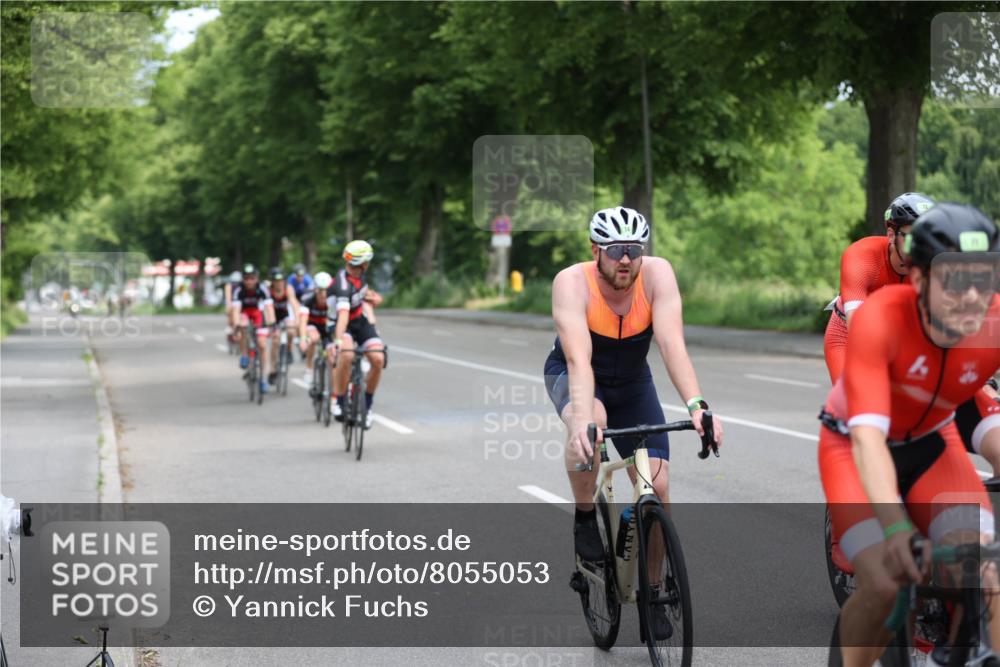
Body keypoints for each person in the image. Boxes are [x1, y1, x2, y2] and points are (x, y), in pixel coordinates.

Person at [819, 202, 1000, 666]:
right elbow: (868, 442)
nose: (971, 297)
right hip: (854, 446)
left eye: (982, 278)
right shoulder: (881, 319)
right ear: (919, 281)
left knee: (985, 568)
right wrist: (896, 526)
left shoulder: (992, 319)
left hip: (932, 441)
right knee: (883, 582)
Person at [543, 206, 723, 627]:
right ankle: (586, 515)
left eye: (634, 249)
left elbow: (671, 343)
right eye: (616, 249)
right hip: (578, 375)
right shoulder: (571, 282)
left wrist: (698, 406)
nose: (626, 259)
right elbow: (578, 359)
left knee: (658, 488)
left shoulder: (658, 275)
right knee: (589, 428)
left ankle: (655, 590)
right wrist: (584, 420)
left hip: (633, 381)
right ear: (596, 250)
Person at [824, 193, 935, 383]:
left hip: (903, 334)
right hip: (848, 335)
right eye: (914, 239)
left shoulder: (935, 266)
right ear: (891, 235)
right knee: (855, 400)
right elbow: (859, 329)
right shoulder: (862, 256)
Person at [329, 240, 385, 428]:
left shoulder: (359, 276)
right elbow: (343, 315)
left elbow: (362, 292)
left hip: (359, 321)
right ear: (363, 263)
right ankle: (340, 400)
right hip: (340, 324)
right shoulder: (342, 285)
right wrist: (338, 340)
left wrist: (373, 297)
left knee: (378, 359)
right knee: (346, 355)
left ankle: (367, 407)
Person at [228, 264, 275, 394]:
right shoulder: (239, 290)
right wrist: (236, 326)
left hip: (257, 313)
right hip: (244, 313)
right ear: (243, 279)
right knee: (243, 325)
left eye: (252, 278)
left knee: (262, 344)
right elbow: (236, 310)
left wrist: (272, 323)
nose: (249, 281)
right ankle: (244, 354)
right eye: (246, 278)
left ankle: (264, 378)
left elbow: (269, 308)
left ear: (257, 278)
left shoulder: (263, 289)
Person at [298, 271, 335, 388]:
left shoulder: (334, 300)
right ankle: (309, 368)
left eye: (326, 290)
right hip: (312, 324)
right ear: (315, 289)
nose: (323, 294)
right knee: (314, 338)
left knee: (332, 356)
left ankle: (333, 395)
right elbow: (303, 321)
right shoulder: (307, 299)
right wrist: (303, 338)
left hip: (327, 326)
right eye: (320, 290)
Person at [267, 268, 300, 386]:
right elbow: (265, 308)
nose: (279, 283)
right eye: (276, 281)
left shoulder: (288, 288)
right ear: (272, 281)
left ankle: (289, 349)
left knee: (291, 331)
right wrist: (269, 324)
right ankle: (272, 369)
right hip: (272, 316)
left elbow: (294, 304)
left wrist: (297, 320)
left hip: (284, 314)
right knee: (275, 340)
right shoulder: (268, 290)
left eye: (281, 280)